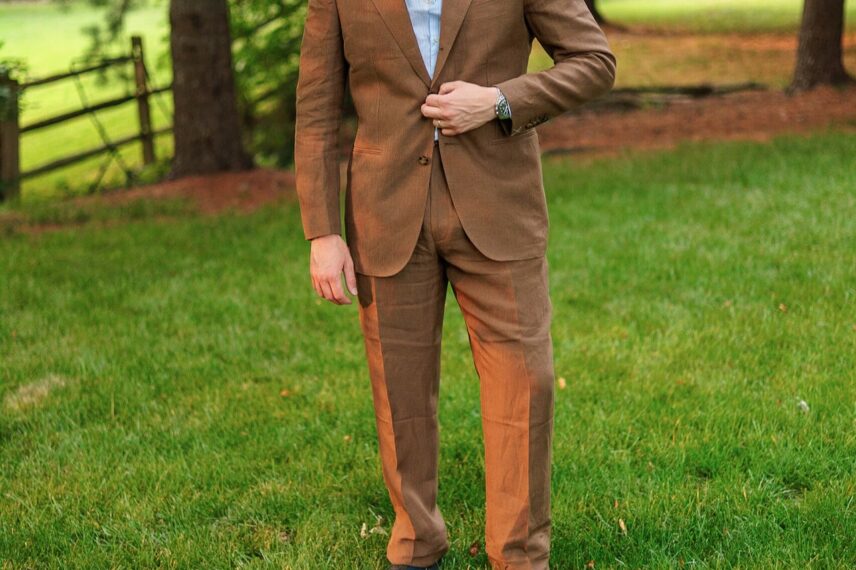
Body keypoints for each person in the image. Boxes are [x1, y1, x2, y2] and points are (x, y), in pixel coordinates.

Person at [294, 0, 616, 567]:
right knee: (400, 390)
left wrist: (498, 102)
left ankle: (519, 554)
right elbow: (316, 108)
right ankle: (416, 541)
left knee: (526, 382)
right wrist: (322, 231)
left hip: (500, 205)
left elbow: (594, 61)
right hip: (385, 211)